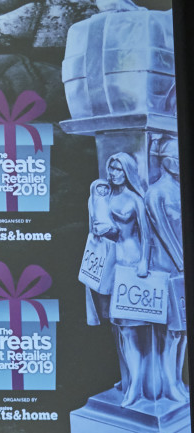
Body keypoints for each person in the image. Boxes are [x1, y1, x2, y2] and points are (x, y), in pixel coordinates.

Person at [85, 152, 151, 407]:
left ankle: (136, 386)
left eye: (118, 170)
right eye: (111, 169)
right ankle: (127, 378)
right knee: (115, 326)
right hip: (107, 264)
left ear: (127, 172)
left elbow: (146, 235)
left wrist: (144, 262)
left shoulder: (135, 199)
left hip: (130, 262)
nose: (113, 174)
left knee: (129, 327)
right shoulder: (102, 195)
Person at [144, 137, 186, 402]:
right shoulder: (156, 192)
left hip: (181, 269)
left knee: (183, 331)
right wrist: (182, 263)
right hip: (168, 269)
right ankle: (168, 383)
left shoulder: (179, 189)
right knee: (169, 332)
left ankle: (178, 379)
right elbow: (163, 232)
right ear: (168, 161)